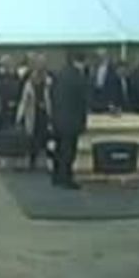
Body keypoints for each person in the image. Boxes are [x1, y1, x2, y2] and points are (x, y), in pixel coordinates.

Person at [47, 50, 90, 189]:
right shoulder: (78, 77)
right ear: (83, 61)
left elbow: (52, 94)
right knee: (69, 152)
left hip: (58, 118)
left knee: (59, 150)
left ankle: (57, 177)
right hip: (72, 120)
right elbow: (84, 99)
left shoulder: (60, 74)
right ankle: (66, 178)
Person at [15, 54, 52, 171]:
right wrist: (19, 117)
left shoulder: (49, 80)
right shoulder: (29, 81)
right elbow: (23, 100)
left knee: (47, 138)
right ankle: (32, 161)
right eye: (39, 63)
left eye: (43, 63)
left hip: (46, 113)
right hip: (33, 114)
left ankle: (49, 162)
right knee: (33, 138)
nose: (40, 66)